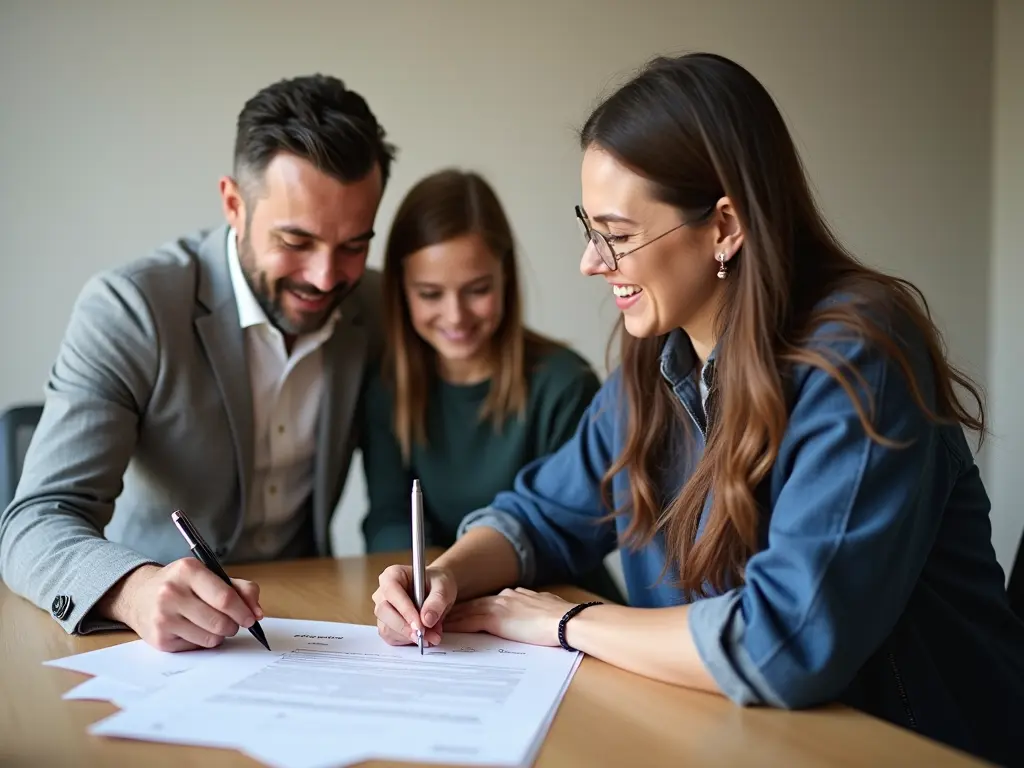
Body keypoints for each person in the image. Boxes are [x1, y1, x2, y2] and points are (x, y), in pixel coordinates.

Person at [370, 53, 1024, 766]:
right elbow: (541, 516)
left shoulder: (860, 355)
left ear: (724, 227)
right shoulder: (657, 361)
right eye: (591, 228)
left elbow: (785, 641)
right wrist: (448, 575)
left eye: (617, 235)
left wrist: (567, 621)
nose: (591, 261)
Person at [0, 73, 395, 653]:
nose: (325, 276)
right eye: (295, 241)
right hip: (148, 635)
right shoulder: (132, 308)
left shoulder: (376, 309)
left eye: (354, 245)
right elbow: (33, 523)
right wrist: (132, 591)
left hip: (309, 625)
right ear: (234, 204)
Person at [359, 168, 622, 602]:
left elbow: (569, 534)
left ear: (506, 279)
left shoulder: (563, 384)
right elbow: (388, 520)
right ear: (399, 292)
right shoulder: (388, 388)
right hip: (444, 606)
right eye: (429, 294)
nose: (456, 315)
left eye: (477, 289)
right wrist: (408, 585)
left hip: (556, 605)